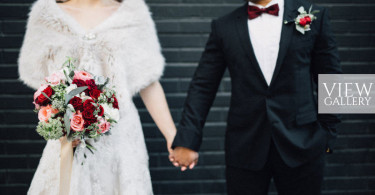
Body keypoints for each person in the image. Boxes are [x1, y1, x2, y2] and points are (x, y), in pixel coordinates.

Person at [171, 0, 342, 194]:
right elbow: (203, 86)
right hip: (244, 146)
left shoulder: (315, 15)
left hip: (303, 143)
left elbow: (331, 76)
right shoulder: (223, 26)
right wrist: (187, 140)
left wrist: (328, 134)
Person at [18, 0, 177, 194]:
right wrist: (59, 123)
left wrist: (172, 136)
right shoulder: (45, 15)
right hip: (67, 139)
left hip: (121, 137)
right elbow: (43, 88)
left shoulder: (133, 13)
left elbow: (149, 82)